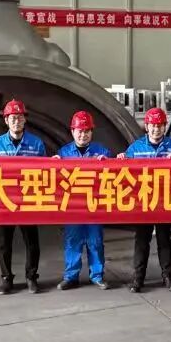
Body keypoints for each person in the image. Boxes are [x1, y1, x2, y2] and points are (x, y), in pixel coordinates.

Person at [120, 106, 171, 293]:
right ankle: (138, 278)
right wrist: (121, 159)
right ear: (146, 127)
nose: (156, 129)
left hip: (164, 201)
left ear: (164, 127)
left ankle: (168, 276)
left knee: (165, 240)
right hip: (143, 203)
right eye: (153, 126)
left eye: (160, 125)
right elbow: (124, 172)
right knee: (142, 241)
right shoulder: (135, 148)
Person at [0, 98, 46, 295]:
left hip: (28, 200)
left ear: (25, 119)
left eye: (20, 117)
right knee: (5, 243)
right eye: (12, 118)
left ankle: (31, 277)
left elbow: (46, 172)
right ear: (6, 120)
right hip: (4, 199)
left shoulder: (37, 144)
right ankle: (6, 279)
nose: (16, 121)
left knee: (32, 242)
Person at [54, 111, 113, 291]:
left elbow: (114, 177)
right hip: (73, 206)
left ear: (91, 132)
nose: (83, 134)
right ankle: (71, 276)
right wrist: (53, 164)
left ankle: (97, 275)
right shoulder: (63, 153)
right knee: (73, 241)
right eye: (79, 131)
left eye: (87, 131)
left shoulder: (102, 152)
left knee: (95, 241)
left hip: (94, 205)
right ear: (72, 131)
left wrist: (108, 163)